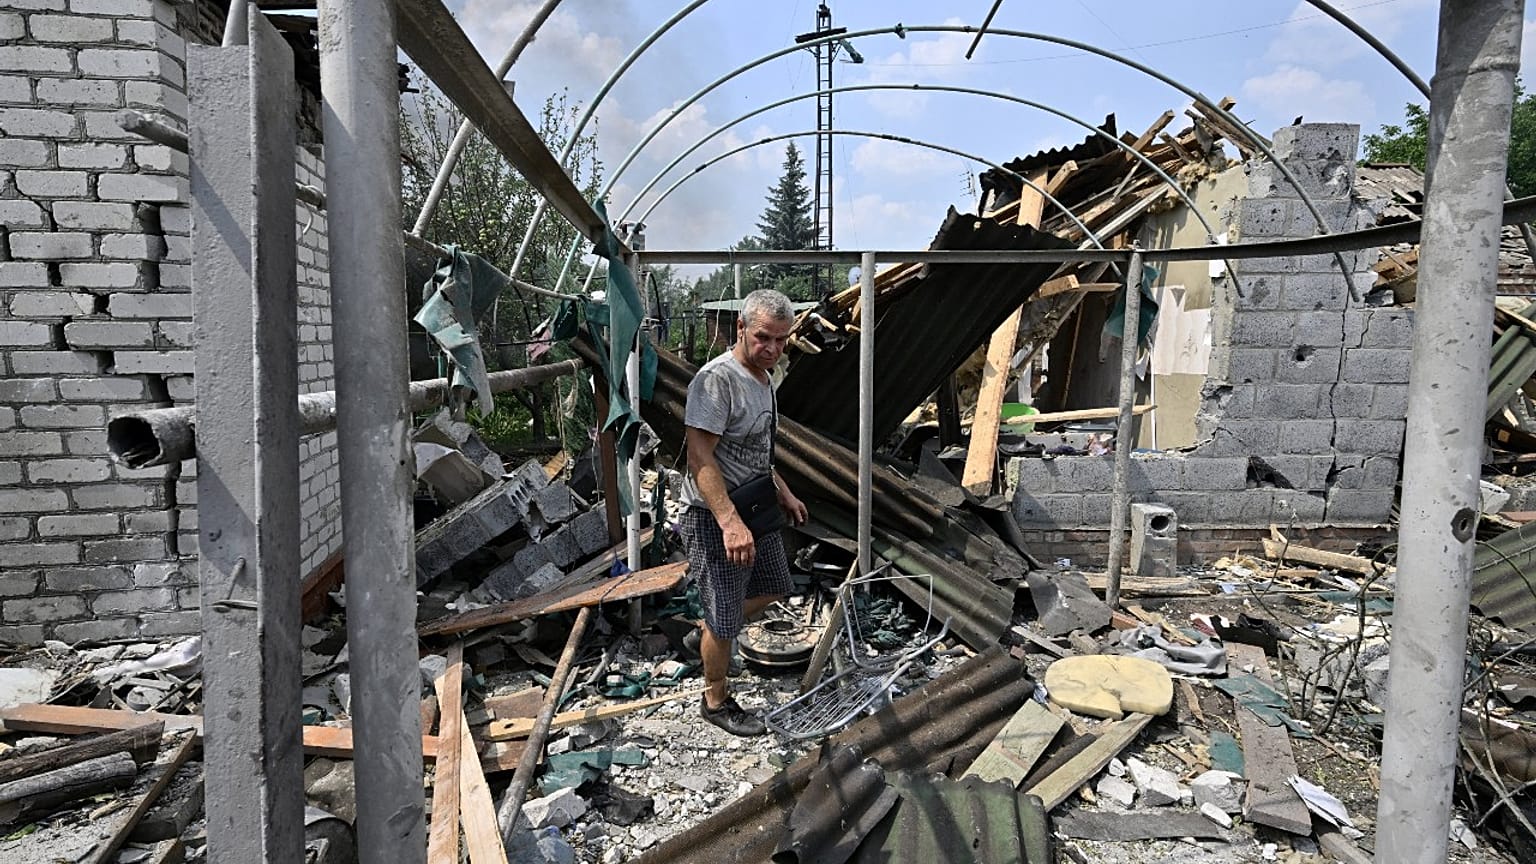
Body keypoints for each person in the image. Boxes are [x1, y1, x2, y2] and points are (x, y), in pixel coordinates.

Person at [679, 288, 808, 736]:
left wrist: (783, 492)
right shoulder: (718, 380)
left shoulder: (764, 379)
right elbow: (700, 457)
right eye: (763, 337)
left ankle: (707, 632)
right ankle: (715, 699)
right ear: (740, 328)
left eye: (781, 340)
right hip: (715, 516)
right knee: (726, 614)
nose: (772, 348)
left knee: (775, 585)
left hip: (754, 507)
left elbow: (756, 452)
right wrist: (729, 523)